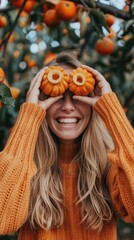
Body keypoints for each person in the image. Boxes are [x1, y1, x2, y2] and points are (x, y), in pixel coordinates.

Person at [0, 52, 134, 240]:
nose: (68, 107)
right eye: (57, 96)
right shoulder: (25, 168)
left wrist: (113, 113)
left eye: (78, 96)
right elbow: (2, 219)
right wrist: (29, 117)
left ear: (94, 103)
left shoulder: (109, 167)